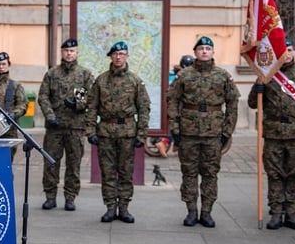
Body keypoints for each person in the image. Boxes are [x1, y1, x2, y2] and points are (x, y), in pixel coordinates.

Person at [247, 40, 295, 230]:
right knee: (274, 174)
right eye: (282, 50)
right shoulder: (267, 74)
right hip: (273, 134)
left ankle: (291, 213)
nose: (286, 54)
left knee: (293, 174)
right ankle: (276, 212)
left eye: (289, 50)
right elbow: (253, 103)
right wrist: (258, 89)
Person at [167, 36, 239, 228]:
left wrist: (227, 130)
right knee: (189, 173)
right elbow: (172, 100)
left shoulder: (223, 76)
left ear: (213, 52)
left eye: (208, 48)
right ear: (195, 52)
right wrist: (175, 128)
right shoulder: (184, 75)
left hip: (213, 133)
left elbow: (233, 103)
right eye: (201, 49)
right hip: (188, 132)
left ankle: (206, 211)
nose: (205, 51)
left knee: (210, 173)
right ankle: (191, 210)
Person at [85, 41, 151, 223]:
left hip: (127, 133)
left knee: (125, 173)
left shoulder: (135, 81)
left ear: (127, 56)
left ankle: (124, 208)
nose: (119, 57)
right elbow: (92, 107)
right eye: (116, 54)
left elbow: (144, 108)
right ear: (111, 57)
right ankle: (110, 208)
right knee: (107, 172)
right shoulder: (101, 80)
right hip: (105, 132)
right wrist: (90, 130)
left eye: (122, 54)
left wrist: (141, 134)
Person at [38, 38, 95, 211]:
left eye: (72, 51)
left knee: (74, 164)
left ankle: (70, 197)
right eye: (66, 51)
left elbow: (91, 98)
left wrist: (78, 105)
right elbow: (43, 96)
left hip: (75, 127)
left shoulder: (84, 74)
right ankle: (50, 196)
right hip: (55, 127)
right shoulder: (52, 74)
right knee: (50, 163)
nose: (69, 54)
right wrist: (50, 115)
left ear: (77, 53)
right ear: (62, 53)